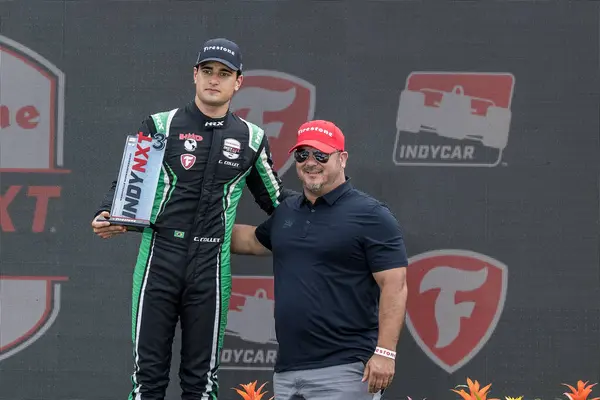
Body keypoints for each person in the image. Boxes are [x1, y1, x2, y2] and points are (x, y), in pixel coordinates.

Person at [91, 38, 289, 400]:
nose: (215, 80)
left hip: (211, 267)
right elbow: (126, 184)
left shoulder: (251, 138)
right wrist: (108, 213)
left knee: (201, 383)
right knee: (147, 380)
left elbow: (278, 202)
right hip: (159, 260)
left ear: (238, 82)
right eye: (208, 71)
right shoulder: (159, 124)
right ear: (195, 75)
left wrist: (325, 217)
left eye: (224, 74)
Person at [230, 119, 409, 400]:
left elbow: (395, 286)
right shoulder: (287, 212)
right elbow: (250, 241)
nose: (310, 162)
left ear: (342, 159)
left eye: (321, 155)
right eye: (302, 154)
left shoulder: (372, 215)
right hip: (287, 371)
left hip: (346, 369)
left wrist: (385, 353)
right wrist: (184, 228)